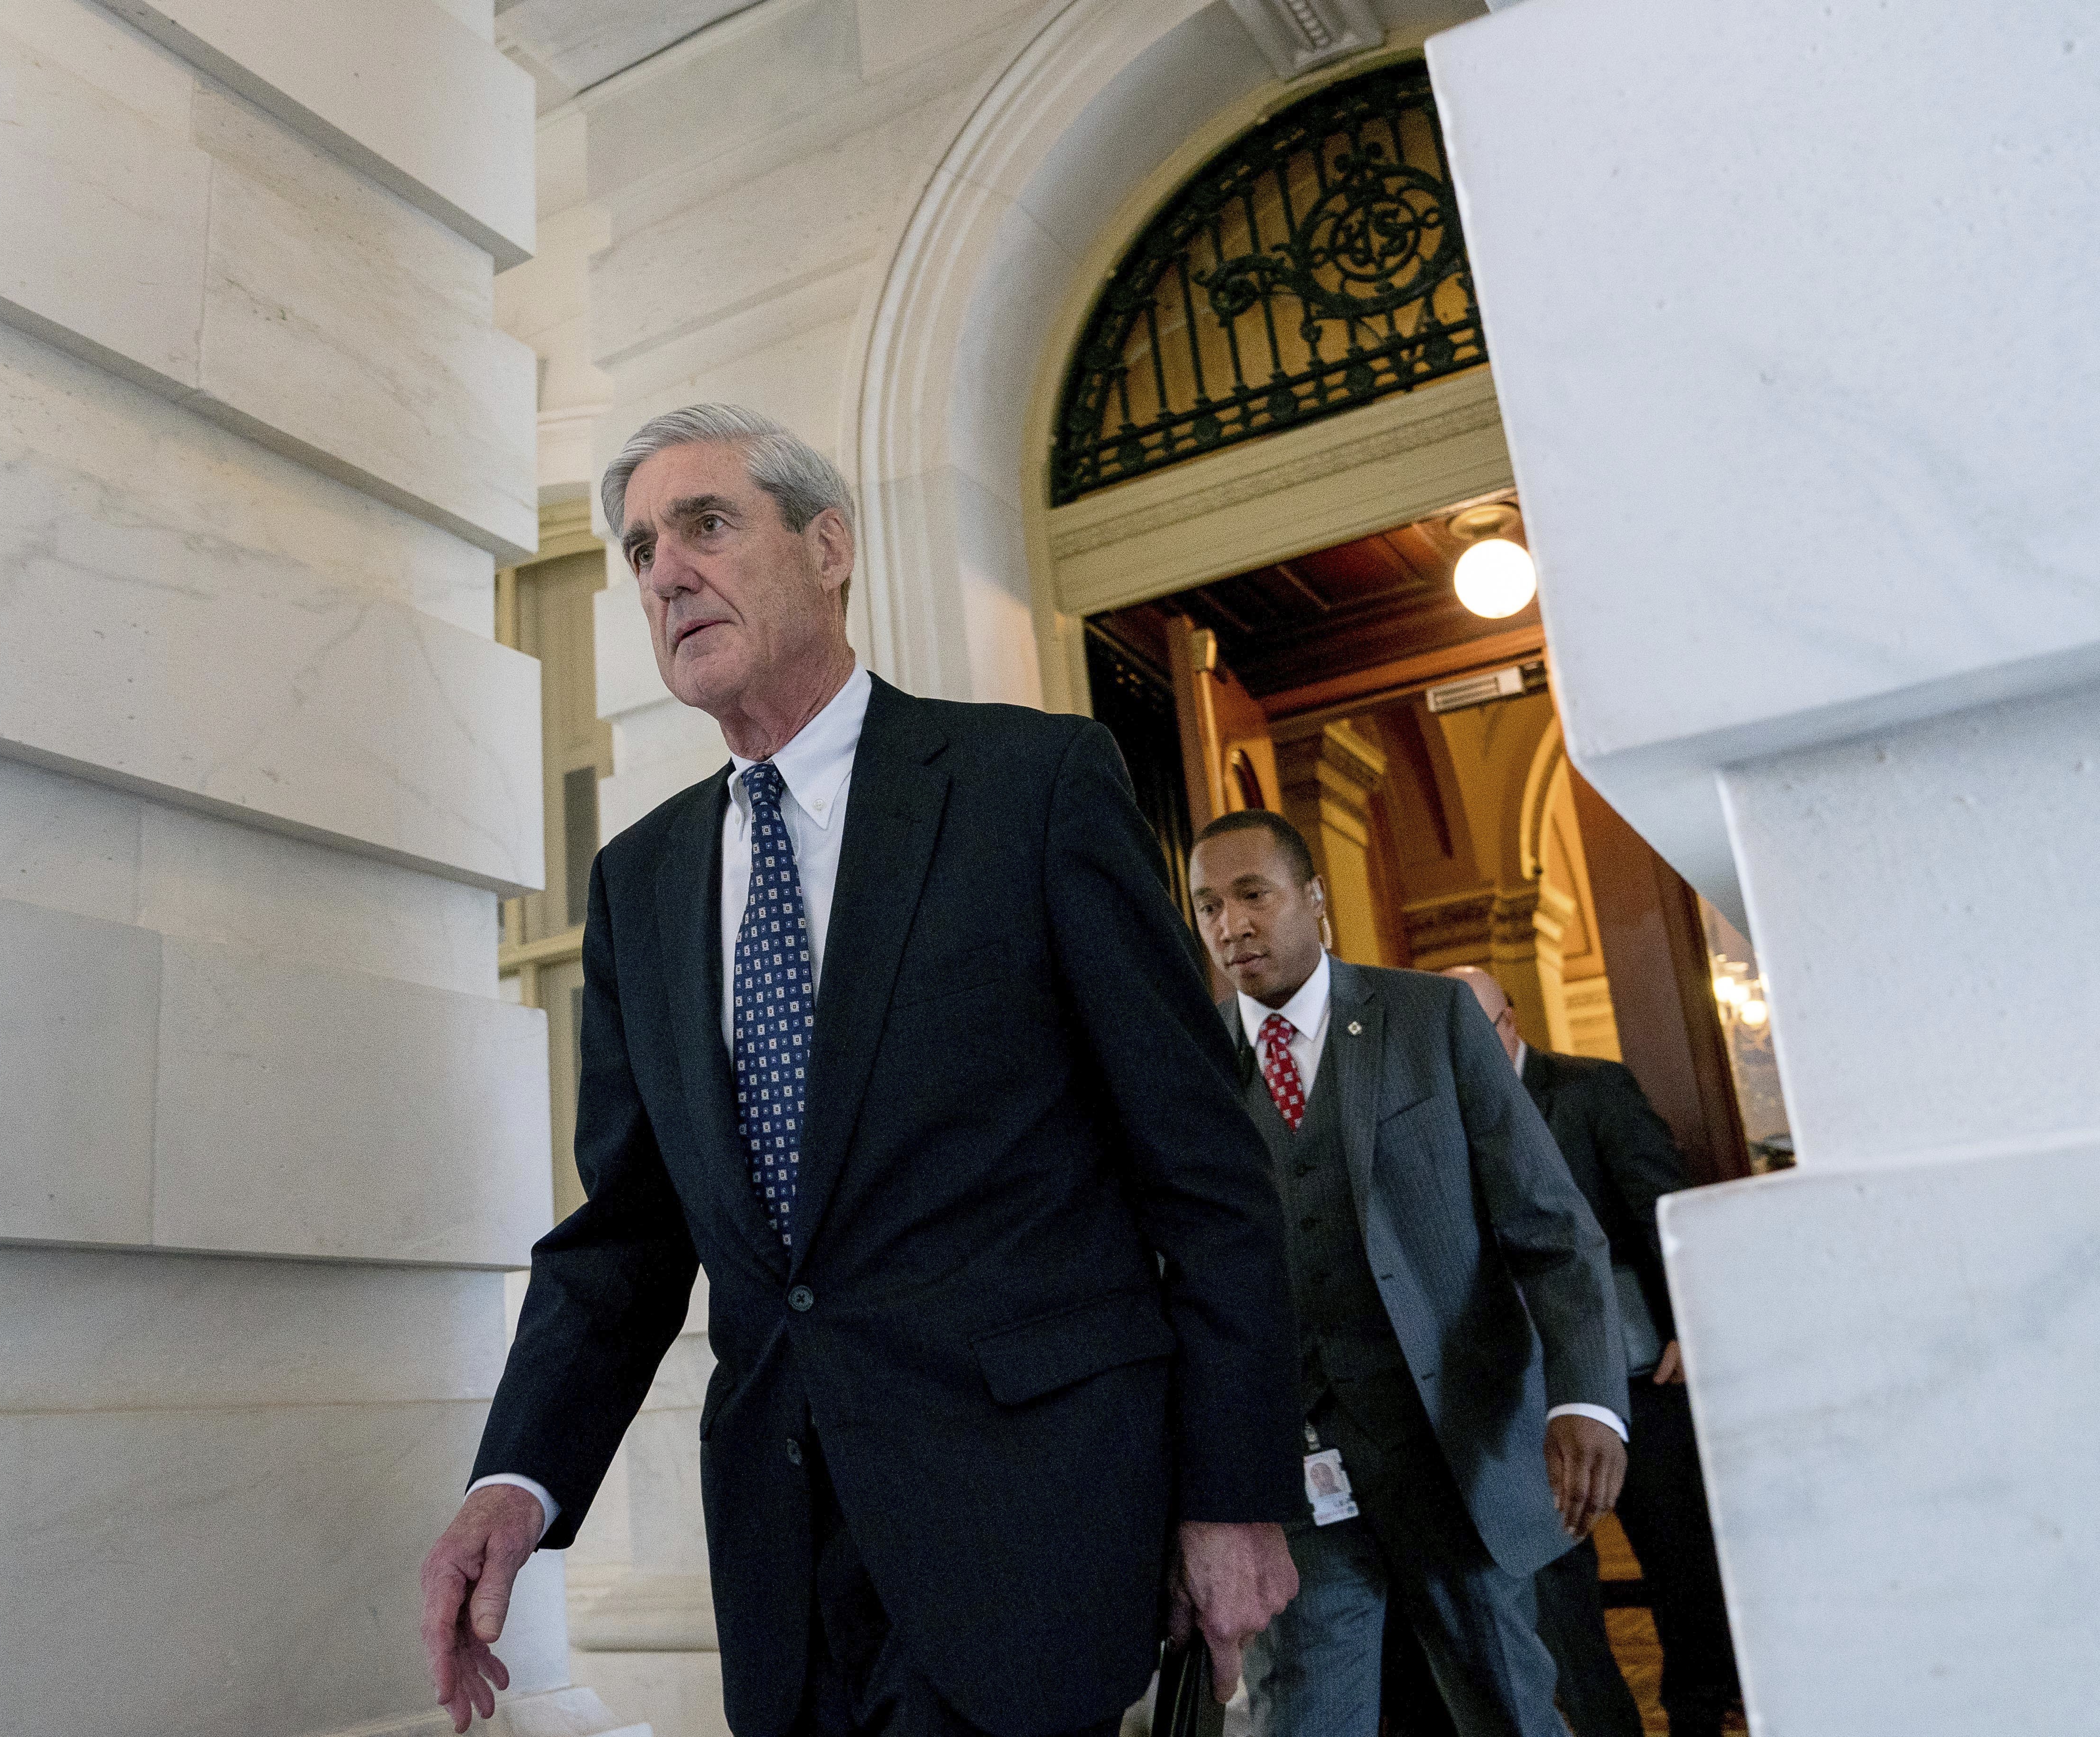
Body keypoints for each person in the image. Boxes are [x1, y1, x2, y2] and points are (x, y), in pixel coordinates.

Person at [417, 405, 1306, 1737]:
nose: (662, 570)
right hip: (787, 1558)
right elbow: (630, 1235)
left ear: (827, 546)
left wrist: (1231, 1489)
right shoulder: (640, 882)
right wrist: (519, 1479)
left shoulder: (1031, 786)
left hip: (1032, 1516)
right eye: (639, 546)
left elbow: (1204, 1170)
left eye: (704, 523)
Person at [1186, 810, 1629, 1737]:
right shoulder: (1184, 1066)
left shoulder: (1427, 1019)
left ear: (1313, 900)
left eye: (1252, 895)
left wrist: (1584, 1399)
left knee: (1509, 1712)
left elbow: (1549, 1224)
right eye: (1206, 906)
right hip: (1293, 1474)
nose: (1230, 925)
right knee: (1302, 1721)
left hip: (1452, 1454)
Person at [1441, 968, 1744, 1737]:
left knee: (1682, 1560)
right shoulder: (1436, 1115)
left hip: (1635, 1372)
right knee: (1556, 1588)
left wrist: (1688, 1321)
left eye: (1482, 1028)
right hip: (1519, 1393)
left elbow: (1656, 1203)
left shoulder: (1590, 1089)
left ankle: (1699, 1711)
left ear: (1511, 1021)